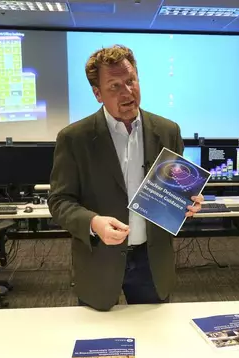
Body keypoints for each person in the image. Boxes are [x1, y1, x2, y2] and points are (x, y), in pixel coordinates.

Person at [48, 45, 203, 311]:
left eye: (131, 81)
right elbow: (60, 201)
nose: (127, 92)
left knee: (154, 341)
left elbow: (176, 188)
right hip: (99, 260)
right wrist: (93, 223)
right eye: (115, 86)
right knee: (98, 344)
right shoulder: (75, 138)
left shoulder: (168, 131)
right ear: (98, 94)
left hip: (152, 260)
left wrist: (188, 202)